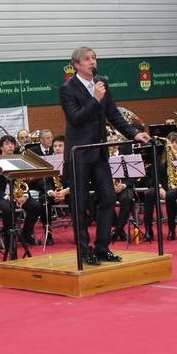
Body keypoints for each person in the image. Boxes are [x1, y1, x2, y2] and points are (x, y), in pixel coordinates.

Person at [59, 46, 151, 264]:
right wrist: (95, 99)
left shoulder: (101, 84)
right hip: (79, 154)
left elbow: (113, 114)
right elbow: (75, 118)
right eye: (87, 59)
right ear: (77, 64)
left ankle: (102, 247)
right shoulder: (67, 89)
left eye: (94, 58)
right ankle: (84, 250)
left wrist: (134, 133)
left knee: (109, 197)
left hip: (99, 152)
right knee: (80, 203)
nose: (92, 62)